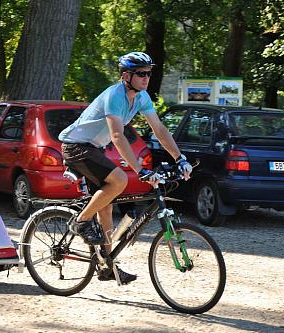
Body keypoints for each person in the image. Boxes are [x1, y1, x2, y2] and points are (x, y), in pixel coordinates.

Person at [58, 51, 192, 284]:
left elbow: (159, 130)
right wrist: (140, 170)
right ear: (126, 75)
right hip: (76, 146)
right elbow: (118, 136)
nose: (146, 78)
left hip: (93, 148)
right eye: (141, 73)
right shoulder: (115, 95)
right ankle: (80, 221)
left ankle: (106, 265)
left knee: (107, 207)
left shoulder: (141, 97)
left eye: (149, 73)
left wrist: (180, 158)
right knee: (119, 180)